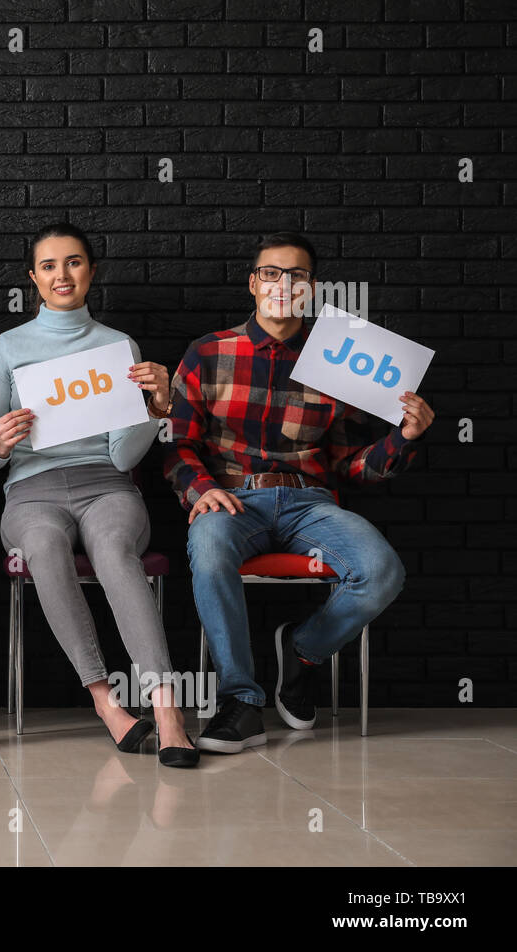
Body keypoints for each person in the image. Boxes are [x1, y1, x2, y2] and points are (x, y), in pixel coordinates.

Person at [166, 232, 434, 753]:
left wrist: (404, 438)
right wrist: (200, 491)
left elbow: (349, 465)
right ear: (253, 283)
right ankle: (241, 703)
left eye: (297, 276)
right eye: (272, 273)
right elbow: (177, 446)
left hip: (311, 502)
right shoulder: (207, 352)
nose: (283, 285)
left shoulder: (338, 362)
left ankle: (303, 651)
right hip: (232, 498)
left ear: (312, 289)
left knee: (382, 570)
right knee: (209, 546)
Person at [0, 222, 199, 768]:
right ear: (33, 278)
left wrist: (156, 410)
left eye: (73, 262)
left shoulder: (117, 346)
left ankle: (167, 709)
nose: (61, 275)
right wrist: (1, 443)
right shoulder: (6, 348)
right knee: (46, 549)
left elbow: (124, 456)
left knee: (115, 549)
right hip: (30, 492)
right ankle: (105, 701)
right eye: (49, 266)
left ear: (91, 272)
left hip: (107, 484)